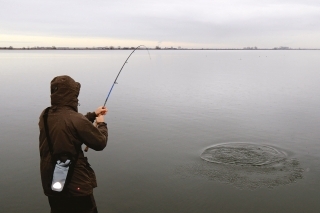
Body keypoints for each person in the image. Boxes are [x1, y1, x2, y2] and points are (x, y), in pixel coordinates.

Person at [38, 75, 108, 213]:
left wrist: (93, 114)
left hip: (52, 181)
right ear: (72, 94)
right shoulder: (75, 119)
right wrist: (101, 123)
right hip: (76, 186)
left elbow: (68, 125)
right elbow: (100, 142)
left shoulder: (45, 115)